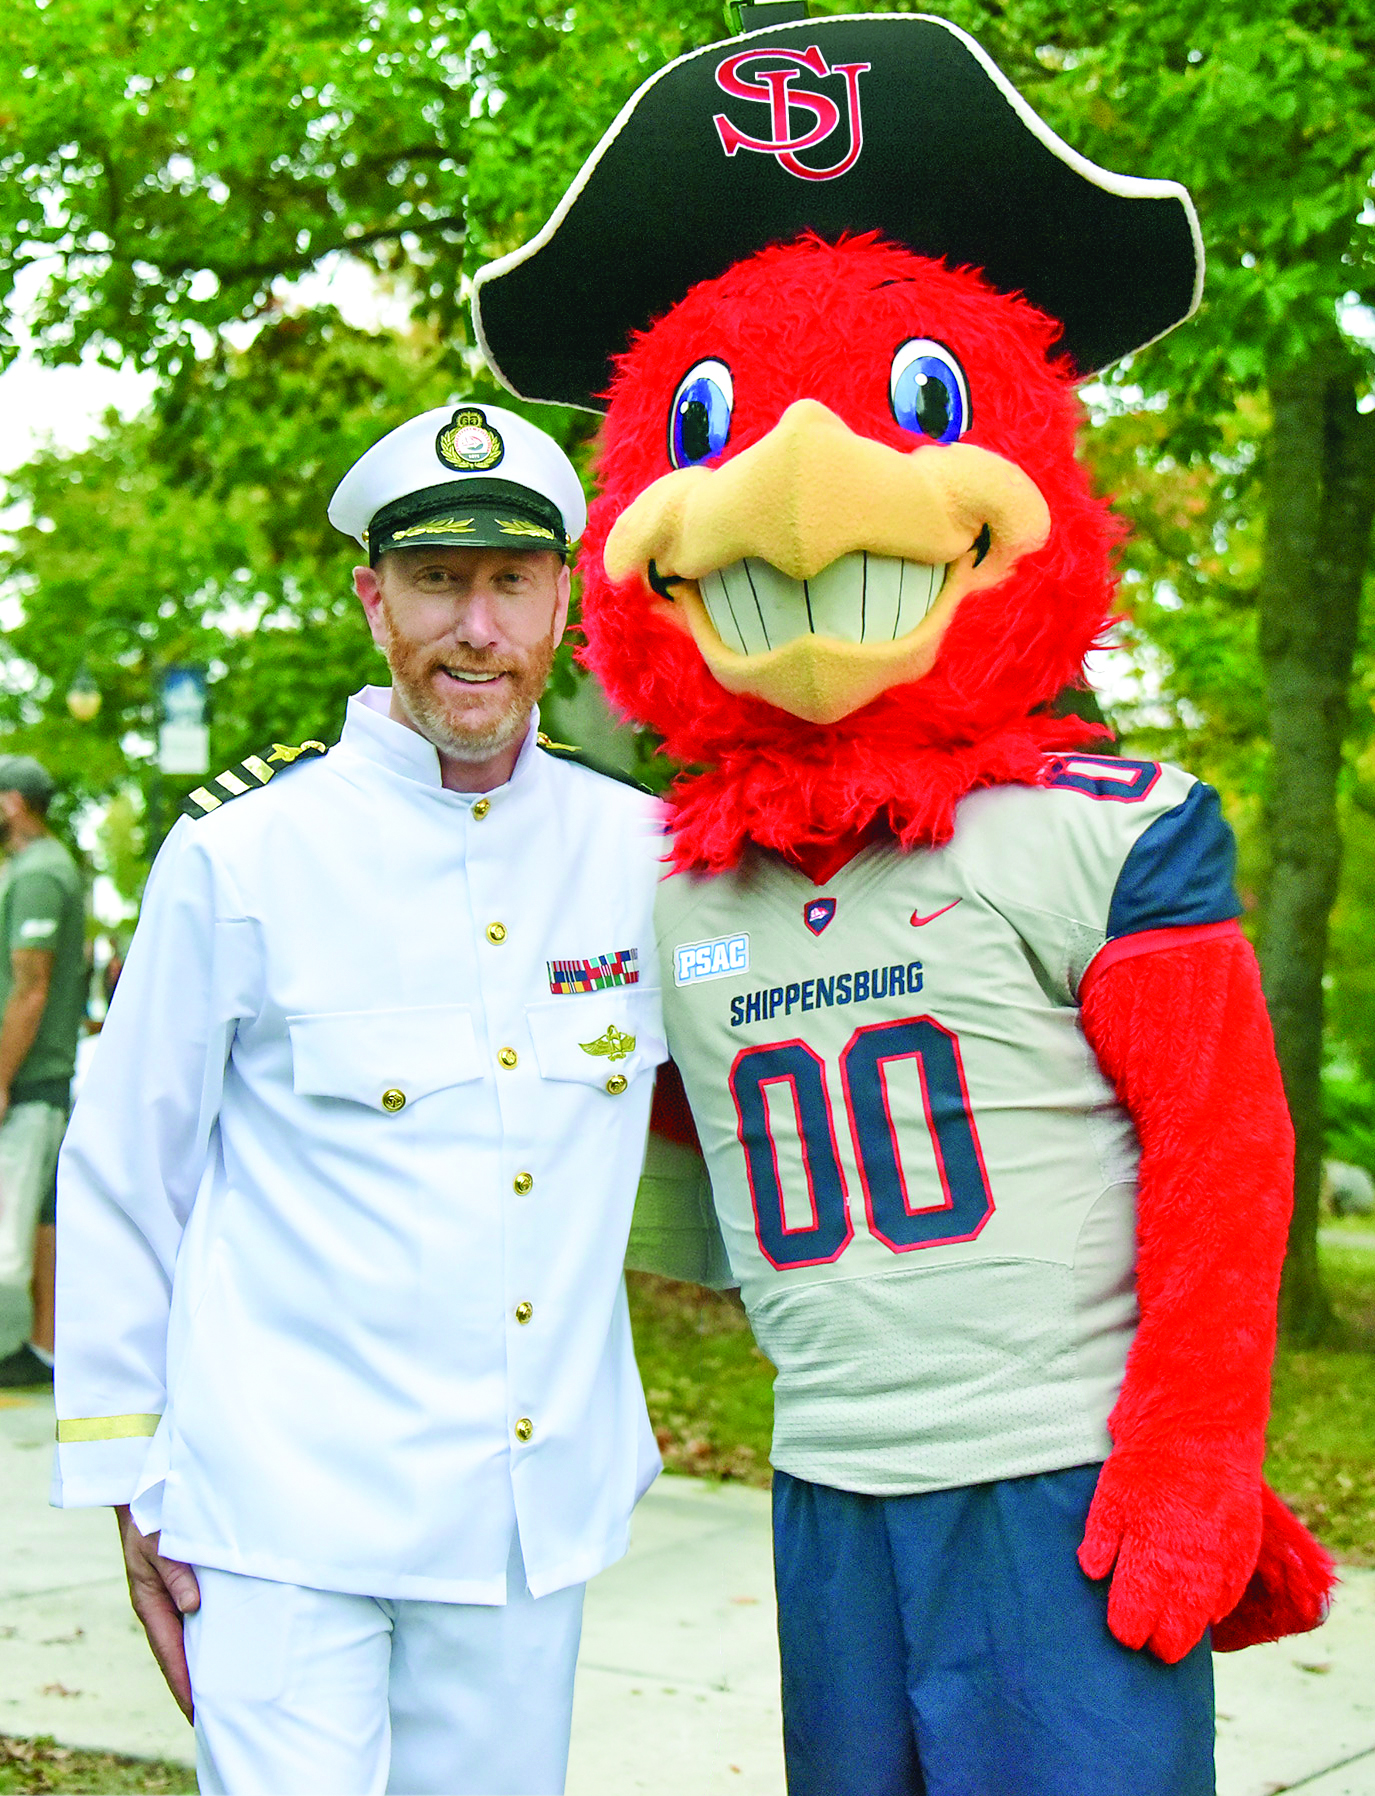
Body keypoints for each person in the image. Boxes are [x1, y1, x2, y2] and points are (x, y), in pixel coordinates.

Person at [54, 402, 668, 1796]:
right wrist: (126, 1479)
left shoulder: (642, 854)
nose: (474, 628)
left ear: (562, 601)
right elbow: (121, 1168)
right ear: (369, 598)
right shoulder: (244, 854)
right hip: (276, 1514)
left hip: (524, 1523)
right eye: (436, 582)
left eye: (510, 583)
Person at [0, 755, 85, 1389]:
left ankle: (25, 1351)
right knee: (40, 1220)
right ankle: (41, 1349)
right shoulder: (41, 869)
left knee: (12, 1230)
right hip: (37, 1080)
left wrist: (0, 1079)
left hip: (28, 1082)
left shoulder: (39, 875)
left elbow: (32, 986)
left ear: (11, 804)